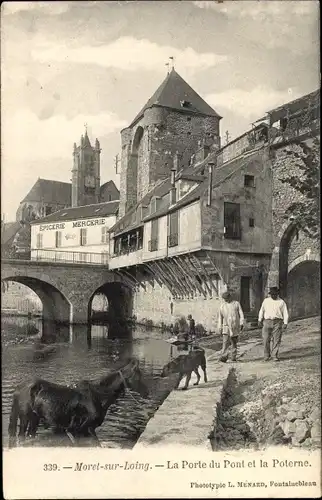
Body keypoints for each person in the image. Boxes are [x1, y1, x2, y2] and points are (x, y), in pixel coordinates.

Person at [258, 286, 288, 362]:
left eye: (275, 294)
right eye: (272, 294)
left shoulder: (281, 302)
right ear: (270, 294)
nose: (273, 296)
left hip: (277, 322)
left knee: (276, 339)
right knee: (265, 339)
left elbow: (285, 313)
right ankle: (266, 355)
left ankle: (274, 355)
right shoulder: (266, 301)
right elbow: (262, 310)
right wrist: (259, 319)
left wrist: (285, 323)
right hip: (267, 321)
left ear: (277, 294)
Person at [217, 291, 244, 362]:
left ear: (230, 297)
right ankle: (224, 357)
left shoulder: (236, 304)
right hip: (226, 326)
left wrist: (241, 323)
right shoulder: (222, 306)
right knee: (225, 342)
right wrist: (220, 327)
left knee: (234, 342)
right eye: (224, 299)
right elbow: (220, 317)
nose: (226, 300)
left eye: (227, 298)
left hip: (234, 325)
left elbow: (241, 314)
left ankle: (233, 357)